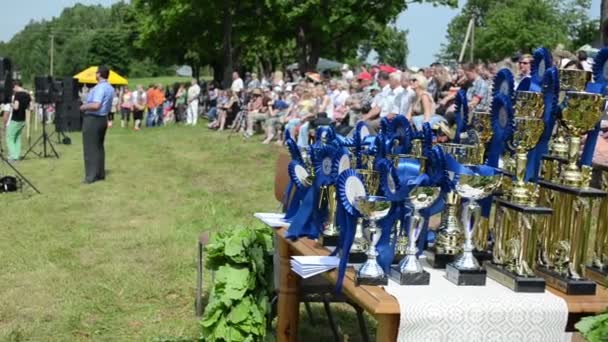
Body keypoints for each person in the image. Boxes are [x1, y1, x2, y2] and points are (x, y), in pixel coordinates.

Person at [79, 66, 114, 184]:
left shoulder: (100, 88)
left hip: (93, 118)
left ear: (99, 74)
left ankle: (91, 176)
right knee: (99, 147)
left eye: (96, 73)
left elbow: (96, 105)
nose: (95, 74)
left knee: (90, 148)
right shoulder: (110, 88)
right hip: (103, 119)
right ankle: (100, 173)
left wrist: (83, 106)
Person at [5, 81, 30, 162]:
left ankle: (12, 156)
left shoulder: (17, 95)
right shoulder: (27, 95)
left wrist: (11, 104)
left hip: (15, 119)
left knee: (9, 137)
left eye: (13, 88)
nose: (13, 90)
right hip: (23, 119)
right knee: (17, 137)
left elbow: (16, 107)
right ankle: (17, 155)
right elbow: (31, 107)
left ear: (15, 86)